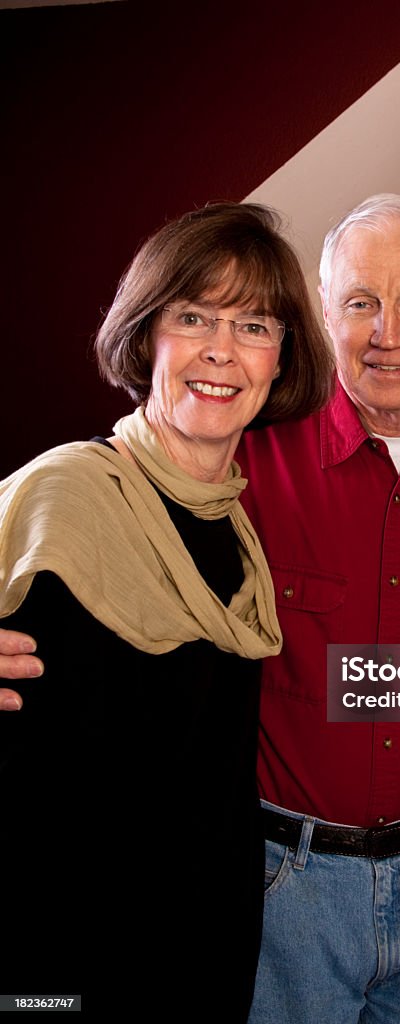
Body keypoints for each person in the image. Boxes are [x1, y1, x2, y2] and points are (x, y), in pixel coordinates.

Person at [0, 194, 400, 1024]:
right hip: (280, 882)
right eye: (359, 302)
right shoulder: (238, 447)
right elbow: (79, 513)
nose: (384, 331)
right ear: (321, 318)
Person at [0, 201, 333, 1021]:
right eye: (193, 317)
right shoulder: (66, 491)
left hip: (205, 945)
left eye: (255, 325)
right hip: (57, 953)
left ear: (281, 356)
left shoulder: (239, 526)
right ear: (148, 335)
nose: (222, 350)